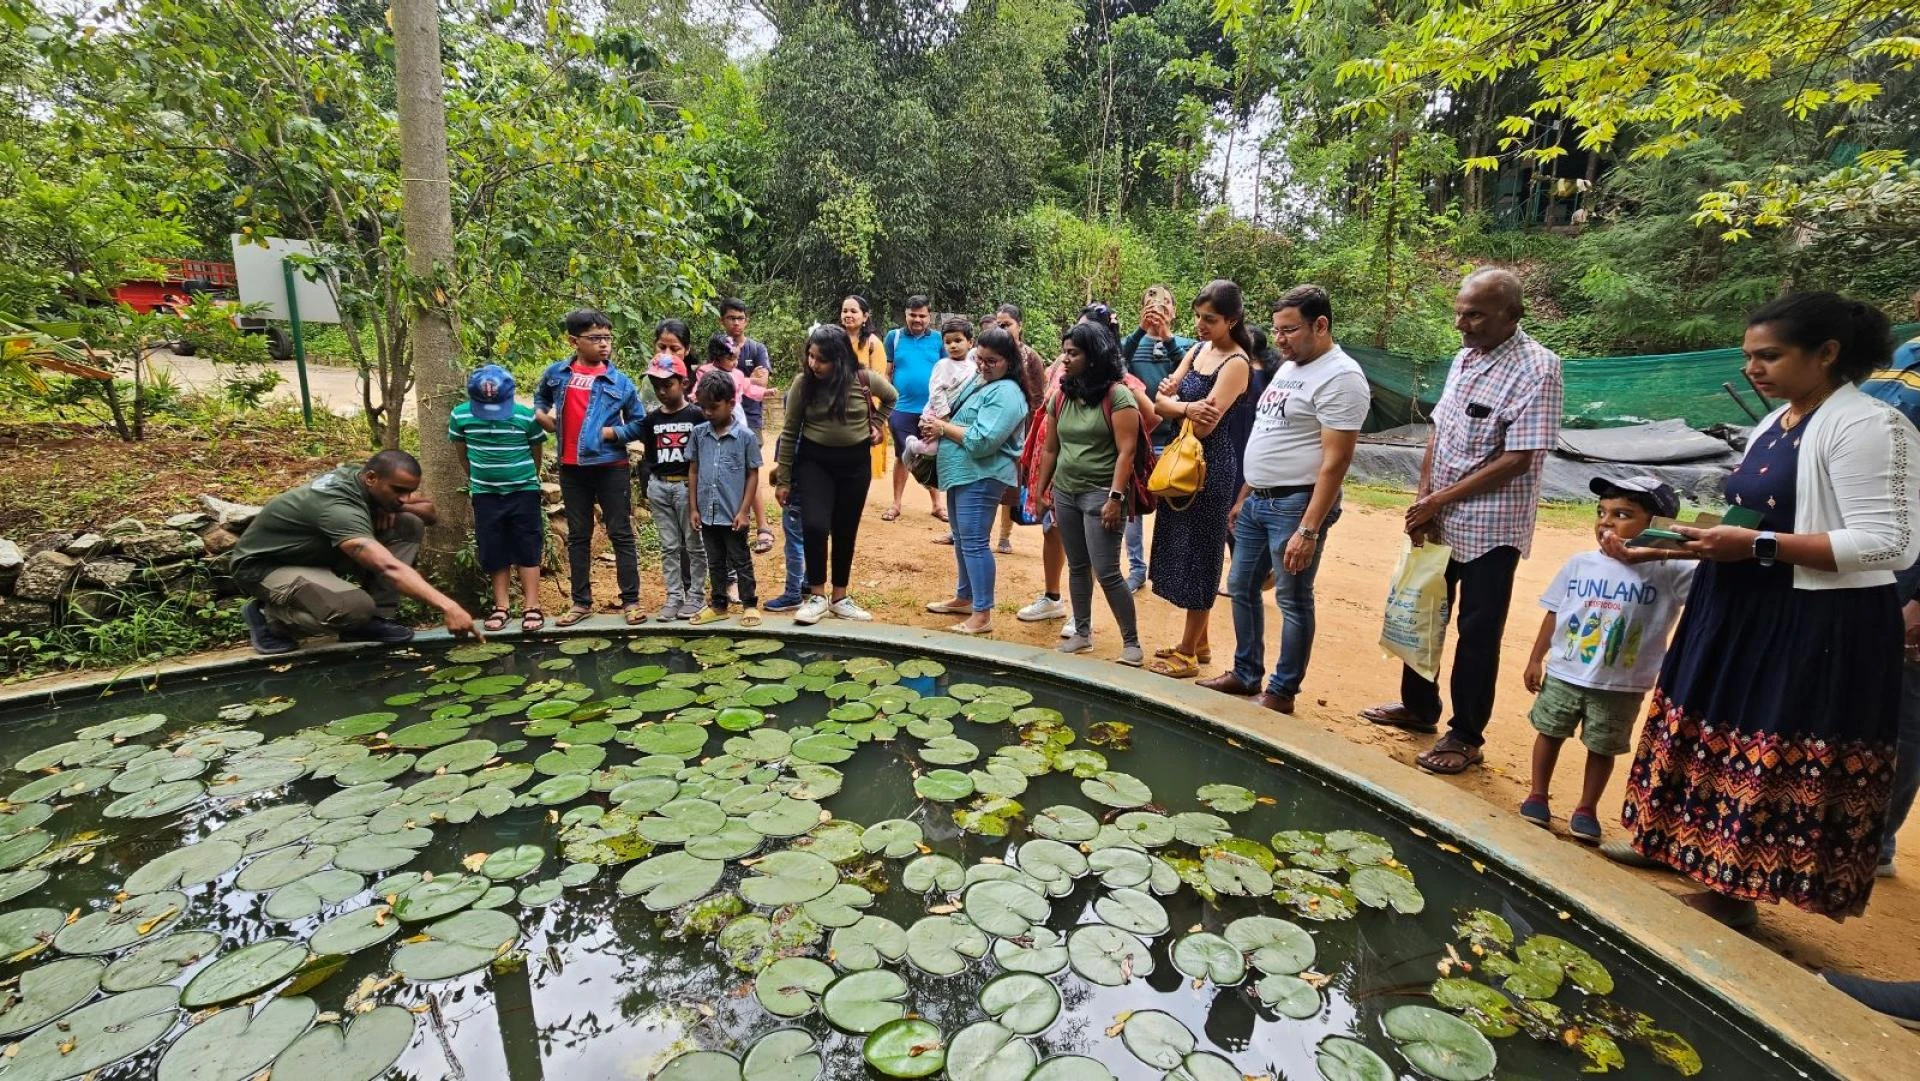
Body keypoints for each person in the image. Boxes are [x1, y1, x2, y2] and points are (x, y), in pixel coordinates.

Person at [1612, 293, 1920, 928]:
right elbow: (1749, 516)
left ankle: (1736, 892)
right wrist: (1670, 547)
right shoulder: (1776, 421)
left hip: (1811, 623)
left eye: (1770, 355)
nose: (1754, 368)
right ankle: (1691, 851)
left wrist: (1758, 545)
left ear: (1828, 353)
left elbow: (1891, 543)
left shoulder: (1870, 427)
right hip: (1738, 605)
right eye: (1749, 355)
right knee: (1717, 730)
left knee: (1769, 743)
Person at [1361, 268, 1564, 774]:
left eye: (1475, 314)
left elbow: (1519, 458)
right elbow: (1440, 432)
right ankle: (1419, 708)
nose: (1462, 324)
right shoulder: (1464, 358)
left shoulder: (1539, 368)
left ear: (1511, 315)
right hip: (1440, 515)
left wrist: (1440, 500)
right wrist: (1424, 500)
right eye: (1459, 312)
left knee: (1478, 631)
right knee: (1424, 609)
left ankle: (1466, 734)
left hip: (1492, 528)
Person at [1200, 285, 1368, 712]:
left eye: (1290, 330)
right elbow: (1269, 434)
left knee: (1293, 597)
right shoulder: (1293, 368)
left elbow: (1336, 461)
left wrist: (1308, 529)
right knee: (1240, 585)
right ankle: (1245, 672)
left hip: (1297, 504)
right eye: (1276, 330)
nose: (1279, 339)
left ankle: (1281, 690)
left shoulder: (1341, 376)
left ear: (1321, 325)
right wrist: (1245, 494)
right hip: (1260, 499)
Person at [1520, 477, 1695, 844]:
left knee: (1603, 746)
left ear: (1657, 526)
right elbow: (1554, 611)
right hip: (1566, 671)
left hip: (1621, 684)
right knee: (1549, 732)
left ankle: (1587, 807)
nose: (1606, 522)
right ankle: (1537, 794)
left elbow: (1707, 570)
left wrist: (1669, 548)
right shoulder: (1579, 564)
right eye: (1602, 512)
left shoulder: (1668, 571)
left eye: (1623, 514)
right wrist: (1537, 658)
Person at [234, 450, 479, 654]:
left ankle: (377, 619)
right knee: (355, 609)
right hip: (266, 566)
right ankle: (269, 616)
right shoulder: (339, 507)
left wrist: (389, 505)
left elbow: (429, 512)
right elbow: (388, 567)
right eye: (397, 491)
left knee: (407, 523)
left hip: (314, 555)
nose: (404, 498)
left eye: (408, 491)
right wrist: (449, 607)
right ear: (371, 478)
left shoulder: (360, 478)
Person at [1145, 279, 1253, 679]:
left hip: (1211, 468)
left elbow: (1207, 427)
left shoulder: (1236, 363)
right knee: (1181, 546)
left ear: (1232, 320)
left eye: (1210, 319)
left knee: (1202, 554)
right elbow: (1159, 403)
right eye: (1198, 317)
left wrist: (1177, 405)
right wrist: (1187, 406)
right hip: (1183, 460)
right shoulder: (1198, 349)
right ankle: (1201, 643)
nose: (1201, 325)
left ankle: (1188, 652)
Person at [1035, 321, 1145, 667]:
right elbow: (1051, 448)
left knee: (1107, 570)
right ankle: (1082, 633)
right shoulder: (1061, 396)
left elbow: (1126, 452)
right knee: (1078, 566)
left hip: (1101, 494)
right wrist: (1041, 489)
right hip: (1066, 491)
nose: (1065, 359)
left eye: (1074, 353)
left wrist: (1115, 498)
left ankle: (1132, 643)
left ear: (1094, 356)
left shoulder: (1119, 396)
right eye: (1065, 351)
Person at [533, 309, 649, 627]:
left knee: (621, 533)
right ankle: (581, 602)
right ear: (574, 340)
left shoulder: (620, 382)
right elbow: (540, 397)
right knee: (579, 536)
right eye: (595, 338)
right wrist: (542, 415)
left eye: (608, 338)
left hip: (611, 466)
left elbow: (639, 423)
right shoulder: (557, 374)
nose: (604, 345)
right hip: (572, 469)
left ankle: (631, 601)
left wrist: (613, 433)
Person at [776, 324, 898, 625]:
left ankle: (840, 597)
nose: (813, 364)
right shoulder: (803, 384)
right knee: (815, 525)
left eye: (821, 359)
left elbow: (892, 397)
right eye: (810, 357)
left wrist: (877, 423)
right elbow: (790, 433)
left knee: (845, 529)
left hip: (855, 465)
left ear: (840, 358)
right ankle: (817, 596)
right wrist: (783, 478)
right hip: (814, 463)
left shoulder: (864, 379)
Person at [1858, 286, 1920, 876]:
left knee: (1903, 697)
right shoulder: (1906, 356)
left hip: (1911, 568)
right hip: (1871, 551)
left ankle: (1873, 841)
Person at [921, 327, 1033, 635]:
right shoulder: (982, 380)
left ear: (1009, 361)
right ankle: (965, 597)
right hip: (963, 473)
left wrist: (942, 429)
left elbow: (983, 441)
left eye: (991, 361)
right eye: (979, 358)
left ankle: (982, 614)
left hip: (983, 475)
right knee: (962, 538)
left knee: (974, 543)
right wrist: (936, 424)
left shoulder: (1008, 392)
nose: (983, 365)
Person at [448, 364, 548, 634]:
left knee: (528, 545)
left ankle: (532, 606)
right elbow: (462, 453)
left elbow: (535, 450)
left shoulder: (524, 416)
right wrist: (478, 479)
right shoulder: (460, 416)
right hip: (486, 494)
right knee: (493, 548)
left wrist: (530, 479)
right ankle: (501, 606)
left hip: (523, 491)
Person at [1119, 285, 1196, 591]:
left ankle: (1170, 571)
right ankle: (1137, 568)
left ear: (1174, 312)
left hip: (1175, 439)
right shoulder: (1130, 343)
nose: (1158, 308)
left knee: (1174, 507)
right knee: (1133, 508)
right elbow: (1117, 367)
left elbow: (1190, 379)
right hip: (1140, 438)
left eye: (1165, 304)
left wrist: (1168, 340)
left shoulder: (1187, 346)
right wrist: (1140, 331)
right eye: (1150, 303)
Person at [632, 353, 707, 622]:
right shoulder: (651, 420)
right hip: (660, 487)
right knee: (668, 545)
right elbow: (648, 455)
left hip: (687, 487)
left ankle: (696, 595)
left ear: (684, 383)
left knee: (694, 544)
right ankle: (674, 596)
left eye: (668, 385)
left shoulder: (697, 415)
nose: (662, 391)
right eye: (656, 385)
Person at [687, 373, 763, 628]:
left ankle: (750, 604)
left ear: (731, 403)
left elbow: (752, 475)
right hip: (707, 513)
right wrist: (694, 508)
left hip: (733, 514)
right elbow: (694, 470)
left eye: (714, 407)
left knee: (740, 558)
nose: (707, 412)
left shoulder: (746, 437)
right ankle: (719, 604)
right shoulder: (698, 434)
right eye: (703, 407)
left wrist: (744, 511)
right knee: (715, 560)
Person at [906, 317, 984, 546]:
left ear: (971, 342)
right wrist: (943, 417)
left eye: (958, 340)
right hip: (939, 415)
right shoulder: (942, 365)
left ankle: (958, 530)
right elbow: (936, 391)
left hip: (955, 423)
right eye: (948, 342)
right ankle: (912, 447)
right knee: (930, 450)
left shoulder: (973, 368)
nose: (953, 345)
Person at [990, 303, 1052, 554]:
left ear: (1020, 326)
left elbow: (1038, 399)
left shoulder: (1030, 357)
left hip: (1018, 430)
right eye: (999, 325)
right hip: (991, 424)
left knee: (1009, 482)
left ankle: (1004, 536)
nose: (1002, 329)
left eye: (1007, 325)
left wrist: (1032, 434)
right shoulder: (990, 353)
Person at [720, 298, 778, 557]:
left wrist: (736, 379)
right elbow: (713, 378)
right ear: (722, 320)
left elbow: (762, 382)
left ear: (747, 320)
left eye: (740, 318)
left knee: (749, 471)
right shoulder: (719, 346)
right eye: (731, 318)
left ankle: (763, 526)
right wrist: (746, 380)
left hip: (750, 420)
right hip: (721, 420)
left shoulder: (757, 348)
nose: (736, 323)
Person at [884, 295, 948, 524]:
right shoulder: (894, 337)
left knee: (931, 454)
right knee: (902, 455)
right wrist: (886, 406)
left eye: (922, 315)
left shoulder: (940, 339)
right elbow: (887, 373)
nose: (917, 319)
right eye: (913, 315)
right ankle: (896, 504)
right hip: (900, 408)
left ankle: (937, 505)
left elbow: (947, 371)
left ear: (929, 316)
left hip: (931, 410)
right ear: (905, 314)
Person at [839, 295, 890, 480]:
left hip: (863, 412)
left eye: (853, 311)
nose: (848, 315)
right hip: (837, 410)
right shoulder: (836, 340)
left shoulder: (873, 344)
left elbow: (878, 383)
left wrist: (873, 419)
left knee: (862, 463)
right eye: (845, 311)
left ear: (865, 316)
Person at [697, 333, 762, 441]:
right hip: (714, 409)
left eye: (737, 358)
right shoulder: (705, 371)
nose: (735, 363)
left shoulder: (738, 374)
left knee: (738, 437)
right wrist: (695, 397)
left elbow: (747, 388)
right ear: (717, 358)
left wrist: (764, 392)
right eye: (731, 359)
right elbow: (699, 388)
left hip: (735, 411)